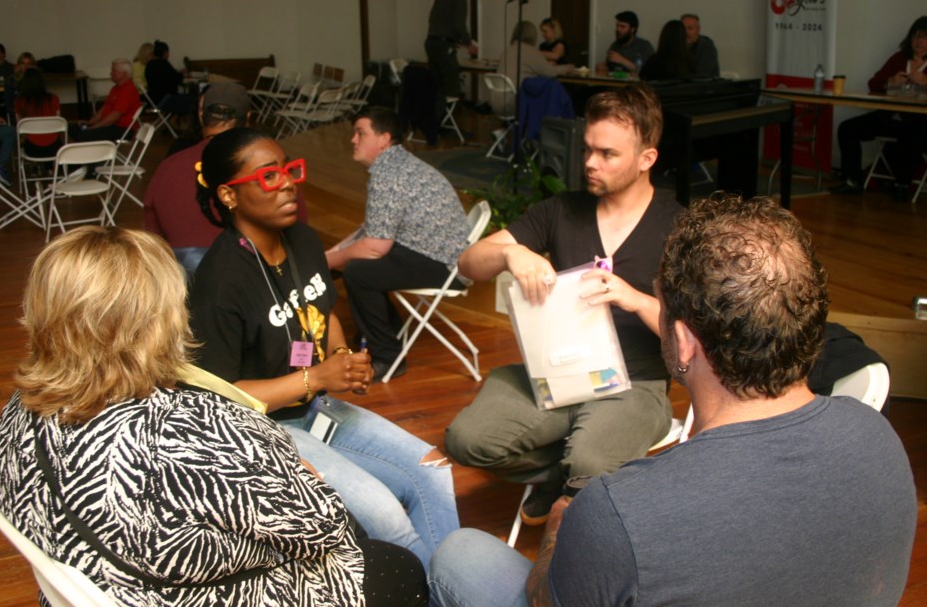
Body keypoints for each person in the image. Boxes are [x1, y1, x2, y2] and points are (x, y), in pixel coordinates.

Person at [428, 193, 918, 607]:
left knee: (460, 554)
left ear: (683, 343)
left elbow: (547, 596)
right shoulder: (879, 435)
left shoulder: (620, 512)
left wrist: (559, 526)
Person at [0, 226, 428, 606]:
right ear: (161, 319)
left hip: (94, 588)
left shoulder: (17, 410)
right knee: (395, 567)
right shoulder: (184, 430)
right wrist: (306, 478)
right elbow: (324, 526)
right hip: (186, 595)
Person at [189, 127, 460, 569]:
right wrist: (315, 377)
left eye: (288, 170)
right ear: (229, 195)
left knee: (433, 468)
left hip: (318, 408)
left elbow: (324, 311)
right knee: (386, 517)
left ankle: (456, 585)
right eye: (268, 177)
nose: (288, 183)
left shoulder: (304, 241)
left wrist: (340, 358)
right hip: (266, 432)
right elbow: (222, 397)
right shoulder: (219, 283)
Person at [445, 84, 682, 525]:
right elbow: (468, 263)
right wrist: (510, 253)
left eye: (607, 154)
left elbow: (693, 337)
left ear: (647, 159)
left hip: (636, 384)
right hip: (557, 374)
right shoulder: (560, 211)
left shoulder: (679, 228)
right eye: (588, 149)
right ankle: (566, 475)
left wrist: (633, 299)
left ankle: (580, 470)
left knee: (592, 462)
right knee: (465, 440)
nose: (590, 163)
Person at [325, 107, 470, 380]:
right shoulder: (396, 165)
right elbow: (371, 231)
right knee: (355, 264)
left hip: (445, 264)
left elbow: (374, 247)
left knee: (358, 272)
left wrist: (330, 260)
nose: (353, 140)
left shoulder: (388, 173)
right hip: (441, 256)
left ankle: (388, 357)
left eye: (360, 133)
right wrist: (334, 253)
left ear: (384, 139)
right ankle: (378, 334)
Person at [144, 81, 302, 280]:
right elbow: (296, 232)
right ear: (249, 119)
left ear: (202, 117)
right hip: (258, 283)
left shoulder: (168, 167)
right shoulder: (269, 169)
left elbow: (153, 245)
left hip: (183, 288)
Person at [831, 16, 927, 201]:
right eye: (915, 36)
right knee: (848, 128)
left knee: (913, 135)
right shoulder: (899, 58)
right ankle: (852, 181)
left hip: (920, 122)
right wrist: (889, 82)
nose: (919, 41)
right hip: (890, 117)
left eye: (924, 37)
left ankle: (902, 185)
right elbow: (873, 83)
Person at [494, 21, 575, 115]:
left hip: (496, 101)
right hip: (516, 102)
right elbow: (551, 72)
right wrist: (567, 68)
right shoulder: (531, 52)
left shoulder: (508, 50)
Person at [425, 0, 479, 99]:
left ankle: (437, 116)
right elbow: (459, 24)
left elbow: (436, 21)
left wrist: (455, 39)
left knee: (435, 84)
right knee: (451, 85)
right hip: (444, 47)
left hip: (431, 43)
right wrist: (469, 44)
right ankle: (451, 116)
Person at [71, 58, 141, 143]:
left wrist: (95, 127)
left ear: (124, 74)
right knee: (72, 128)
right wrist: (90, 122)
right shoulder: (115, 88)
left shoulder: (128, 90)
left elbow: (114, 117)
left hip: (122, 128)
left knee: (83, 135)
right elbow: (105, 108)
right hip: (111, 125)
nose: (111, 73)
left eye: (113, 71)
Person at [13, 68, 63, 159]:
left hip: (33, 149)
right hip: (55, 148)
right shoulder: (54, 98)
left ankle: (36, 170)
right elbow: (58, 123)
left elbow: (20, 127)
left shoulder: (19, 101)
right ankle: (50, 169)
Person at [145, 39, 195, 119]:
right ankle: (183, 124)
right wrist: (182, 74)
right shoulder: (164, 64)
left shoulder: (149, 65)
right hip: (166, 100)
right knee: (194, 100)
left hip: (154, 100)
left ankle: (175, 121)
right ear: (165, 53)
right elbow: (176, 79)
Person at [597, 10, 654, 75]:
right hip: (614, 83)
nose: (618, 29)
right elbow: (610, 67)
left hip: (634, 84)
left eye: (622, 26)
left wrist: (622, 60)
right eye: (617, 26)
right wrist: (603, 67)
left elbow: (648, 72)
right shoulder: (614, 45)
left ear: (632, 29)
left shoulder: (644, 46)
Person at [681, 13, 720, 78]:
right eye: (683, 29)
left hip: (705, 86)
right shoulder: (676, 46)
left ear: (698, 29)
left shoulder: (706, 47)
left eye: (690, 28)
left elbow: (702, 75)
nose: (686, 32)